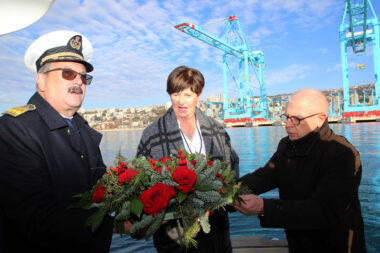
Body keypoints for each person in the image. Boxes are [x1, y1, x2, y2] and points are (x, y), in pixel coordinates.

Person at [0, 30, 130, 253]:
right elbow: (35, 219)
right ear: (41, 80)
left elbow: (102, 191)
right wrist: (118, 225)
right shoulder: (14, 129)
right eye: (68, 73)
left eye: (84, 77)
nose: (79, 81)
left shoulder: (83, 129)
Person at [234, 88, 366, 253]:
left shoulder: (342, 154)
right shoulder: (286, 145)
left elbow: (324, 211)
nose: (288, 124)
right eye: (287, 117)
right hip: (298, 244)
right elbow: (263, 177)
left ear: (320, 119)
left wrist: (264, 207)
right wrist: (225, 192)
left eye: (297, 119)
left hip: (336, 246)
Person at [136, 66, 239, 253]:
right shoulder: (151, 134)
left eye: (188, 95)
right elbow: (140, 183)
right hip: (173, 238)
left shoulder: (217, 130)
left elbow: (232, 175)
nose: (181, 101)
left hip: (216, 235)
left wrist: (217, 203)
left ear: (199, 95)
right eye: (176, 94)